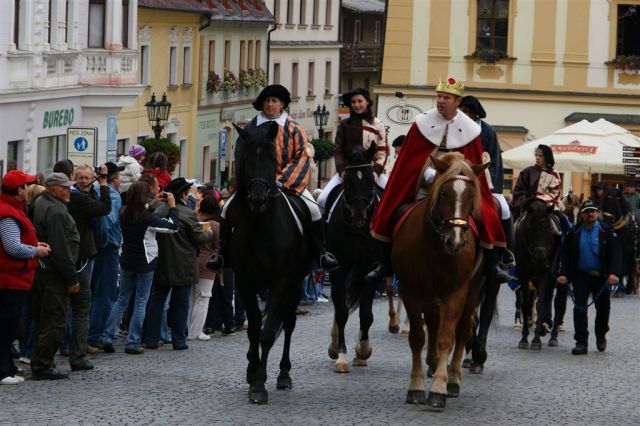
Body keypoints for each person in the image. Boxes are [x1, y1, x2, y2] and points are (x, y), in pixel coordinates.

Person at [370, 76, 508, 282]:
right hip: (423, 185)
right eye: (439, 96)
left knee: (491, 213)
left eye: (446, 97)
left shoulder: (470, 130)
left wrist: (455, 178)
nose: (441, 101)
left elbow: (473, 163)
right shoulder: (421, 124)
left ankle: (493, 263)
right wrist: (429, 173)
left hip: (458, 188)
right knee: (390, 209)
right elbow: (410, 161)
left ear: (457, 101)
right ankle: (383, 264)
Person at [208, 84, 338, 273]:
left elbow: (301, 157)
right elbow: (240, 156)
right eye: (267, 101)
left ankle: (321, 253)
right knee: (227, 209)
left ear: (282, 104)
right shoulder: (250, 128)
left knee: (314, 209)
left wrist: (280, 180)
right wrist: (251, 181)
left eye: (274, 101)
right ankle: (221, 254)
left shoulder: (294, 129)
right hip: (254, 185)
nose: (270, 105)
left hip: (287, 184)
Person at [100, 182, 179, 354]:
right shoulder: (147, 218)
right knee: (140, 303)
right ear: (144, 197)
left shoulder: (123, 212)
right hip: (145, 262)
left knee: (121, 300)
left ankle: (107, 337)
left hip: (127, 260)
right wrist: (172, 207)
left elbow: (139, 216)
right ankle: (133, 341)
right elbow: (173, 227)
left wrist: (152, 206)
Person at [144, 178, 212, 350]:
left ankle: (151, 339)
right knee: (180, 303)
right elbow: (198, 237)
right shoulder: (187, 213)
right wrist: (209, 233)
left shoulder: (159, 211)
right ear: (182, 194)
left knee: (157, 302)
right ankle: (178, 340)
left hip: (161, 262)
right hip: (183, 264)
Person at [0, 171, 51, 385]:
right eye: (26, 185)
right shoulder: (8, 213)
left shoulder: (12, 209)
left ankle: (7, 367)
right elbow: (11, 246)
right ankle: (2, 371)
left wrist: (34, 246)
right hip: (10, 278)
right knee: (5, 326)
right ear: (19, 190)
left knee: (9, 325)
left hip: (14, 276)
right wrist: (35, 251)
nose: (29, 189)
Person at [30, 173, 81, 380]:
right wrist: (72, 278)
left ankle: (40, 362)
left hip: (43, 271)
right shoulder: (55, 210)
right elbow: (60, 249)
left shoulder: (41, 202)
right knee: (55, 322)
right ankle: (43, 366)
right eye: (65, 187)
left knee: (44, 319)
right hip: (54, 274)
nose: (69, 191)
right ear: (53, 189)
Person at [61, 162, 112, 368]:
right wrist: (104, 184)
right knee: (81, 304)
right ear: (74, 178)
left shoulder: (80, 196)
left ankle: (69, 345)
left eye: (86, 177)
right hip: (80, 255)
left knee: (73, 304)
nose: (83, 181)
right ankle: (76, 352)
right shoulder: (78, 198)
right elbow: (104, 208)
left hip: (83, 252)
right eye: (80, 177)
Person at [556, 200, 622, 355]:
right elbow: (565, 255)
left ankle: (601, 335)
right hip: (580, 275)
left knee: (603, 309)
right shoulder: (573, 232)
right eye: (587, 211)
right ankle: (581, 342)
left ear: (597, 213)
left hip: (602, 277)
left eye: (593, 211)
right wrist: (563, 274)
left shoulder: (607, 231)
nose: (590, 214)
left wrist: (614, 273)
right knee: (579, 308)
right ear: (582, 214)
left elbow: (616, 254)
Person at [460, 95, 515, 267]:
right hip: (459, 178)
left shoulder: (488, 132)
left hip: (485, 181)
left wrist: (487, 184)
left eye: (468, 112)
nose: (464, 114)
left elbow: (494, 160)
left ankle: (505, 252)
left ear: (476, 114)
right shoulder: (456, 128)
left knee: (504, 209)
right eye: (462, 111)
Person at [317, 87, 389, 208]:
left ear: (367, 102)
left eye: (360, 101)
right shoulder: (344, 125)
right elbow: (338, 150)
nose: (356, 105)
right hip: (347, 171)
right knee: (322, 200)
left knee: (392, 200)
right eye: (353, 102)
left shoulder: (378, 124)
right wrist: (342, 171)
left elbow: (382, 152)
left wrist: (376, 172)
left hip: (371, 171)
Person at [87, 163, 124, 353]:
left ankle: (84, 336)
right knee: (106, 294)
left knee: (90, 292)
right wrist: (103, 242)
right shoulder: (112, 195)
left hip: (91, 246)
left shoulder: (90, 190)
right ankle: (95, 337)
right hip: (106, 247)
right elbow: (107, 222)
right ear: (114, 179)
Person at [511, 144, 569, 231]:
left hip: (548, 206)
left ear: (547, 157)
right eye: (536, 155)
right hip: (528, 204)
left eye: (540, 156)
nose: (537, 158)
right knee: (513, 222)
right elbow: (519, 190)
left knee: (562, 219)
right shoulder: (528, 171)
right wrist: (527, 199)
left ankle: (567, 237)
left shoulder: (554, 173)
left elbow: (555, 193)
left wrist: (540, 199)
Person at [188, 195, 220, 340]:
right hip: (208, 263)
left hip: (192, 260)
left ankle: (188, 330)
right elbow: (217, 245)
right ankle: (196, 331)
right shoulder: (214, 225)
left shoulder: (194, 220)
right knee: (204, 297)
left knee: (192, 297)